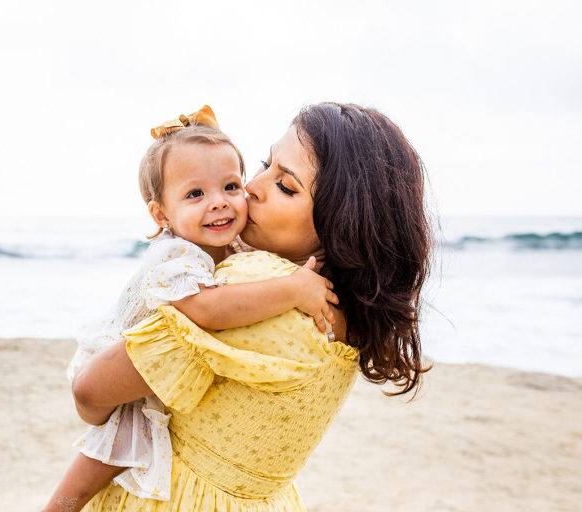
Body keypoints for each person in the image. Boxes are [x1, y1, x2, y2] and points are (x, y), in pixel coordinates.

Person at [70, 102, 433, 511]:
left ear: (342, 224)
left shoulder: (259, 284)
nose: (251, 188)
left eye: (286, 186)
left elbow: (88, 390)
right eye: (265, 164)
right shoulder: (349, 316)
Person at [42, 106, 338, 512]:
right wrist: (291, 289)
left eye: (231, 185)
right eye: (195, 194)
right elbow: (208, 311)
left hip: (152, 365)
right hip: (118, 349)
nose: (222, 202)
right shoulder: (176, 256)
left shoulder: (238, 245)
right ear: (162, 215)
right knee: (113, 443)